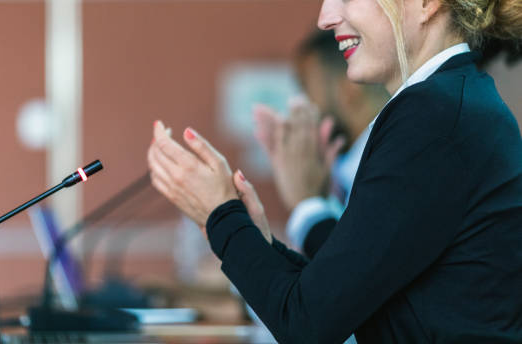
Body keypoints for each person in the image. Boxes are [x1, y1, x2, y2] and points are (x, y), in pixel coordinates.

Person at [147, 0, 522, 340]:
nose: (326, 18)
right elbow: (348, 298)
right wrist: (257, 242)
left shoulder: (432, 114)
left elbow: (308, 323)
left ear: (425, 4)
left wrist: (221, 216)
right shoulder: (454, 102)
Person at [254, 30, 389, 259]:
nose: (300, 105)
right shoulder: (343, 171)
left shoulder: (386, 165)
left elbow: (350, 276)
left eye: (306, 89)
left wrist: (305, 201)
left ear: (350, 89)